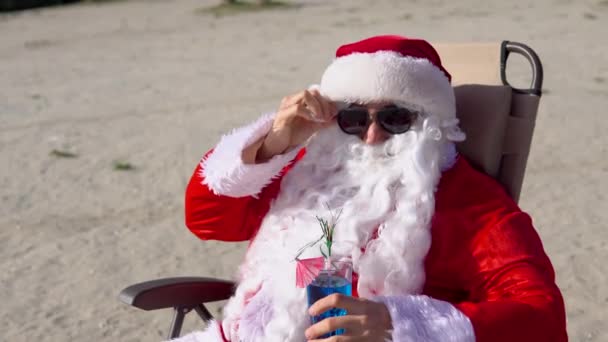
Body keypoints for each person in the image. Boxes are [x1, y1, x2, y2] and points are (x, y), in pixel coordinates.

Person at [174, 35, 567, 342]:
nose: (373, 135)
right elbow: (207, 220)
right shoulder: (311, 171)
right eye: (354, 117)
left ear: (431, 123)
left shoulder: (473, 204)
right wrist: (276, 142)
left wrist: (397, 323)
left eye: (396, 118)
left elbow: (541, 316)